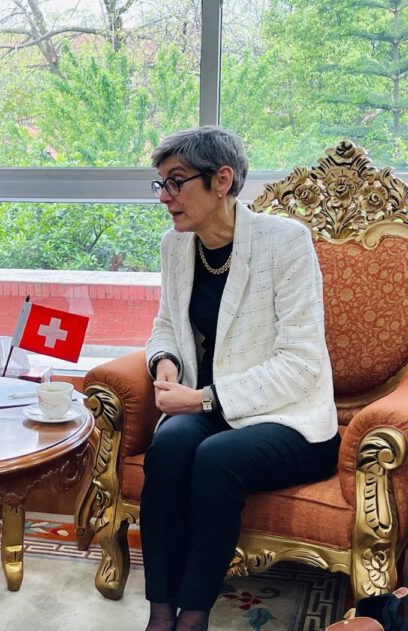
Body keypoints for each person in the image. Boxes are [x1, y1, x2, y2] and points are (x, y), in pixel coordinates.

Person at [141, 126, 339, 631]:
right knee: (168, 446)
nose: (164, 197)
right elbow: (166, 323)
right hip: (213, 406)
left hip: (290, 419)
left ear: (222, 180)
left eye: (176, 181)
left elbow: (301, 363)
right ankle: (160, 612)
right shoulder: (176, 245)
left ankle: (194, 616)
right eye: (160, 183)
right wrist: (165, 360)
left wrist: (202, 398)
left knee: (216, 457)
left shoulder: (285, 242)